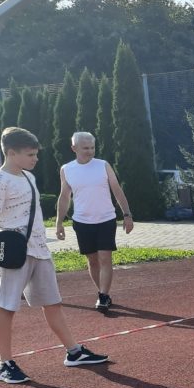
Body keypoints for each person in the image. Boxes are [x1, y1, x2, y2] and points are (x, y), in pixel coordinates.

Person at [0, 127, 109, 384]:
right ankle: (5, 363)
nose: (35, 159)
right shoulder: (1, 181)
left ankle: (74, 352)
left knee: (52, 302)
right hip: (15, 252)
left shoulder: (28, 177)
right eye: (30, 154)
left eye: (36, 154)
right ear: (11, 153)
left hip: (39, 249)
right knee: (6, 307)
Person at [55, 131, 133, 312]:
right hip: (82, 221)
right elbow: (64, 197)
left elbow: (117, 190)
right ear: (74, 148)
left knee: (105, 257)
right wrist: (59, 222)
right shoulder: (66, 169)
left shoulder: (103, 165)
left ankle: (103, 296)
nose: (90, 151)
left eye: (92, 147)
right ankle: (102, 292)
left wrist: (127, 214)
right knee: (92, 260)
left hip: (106, 219)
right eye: (85, 148)